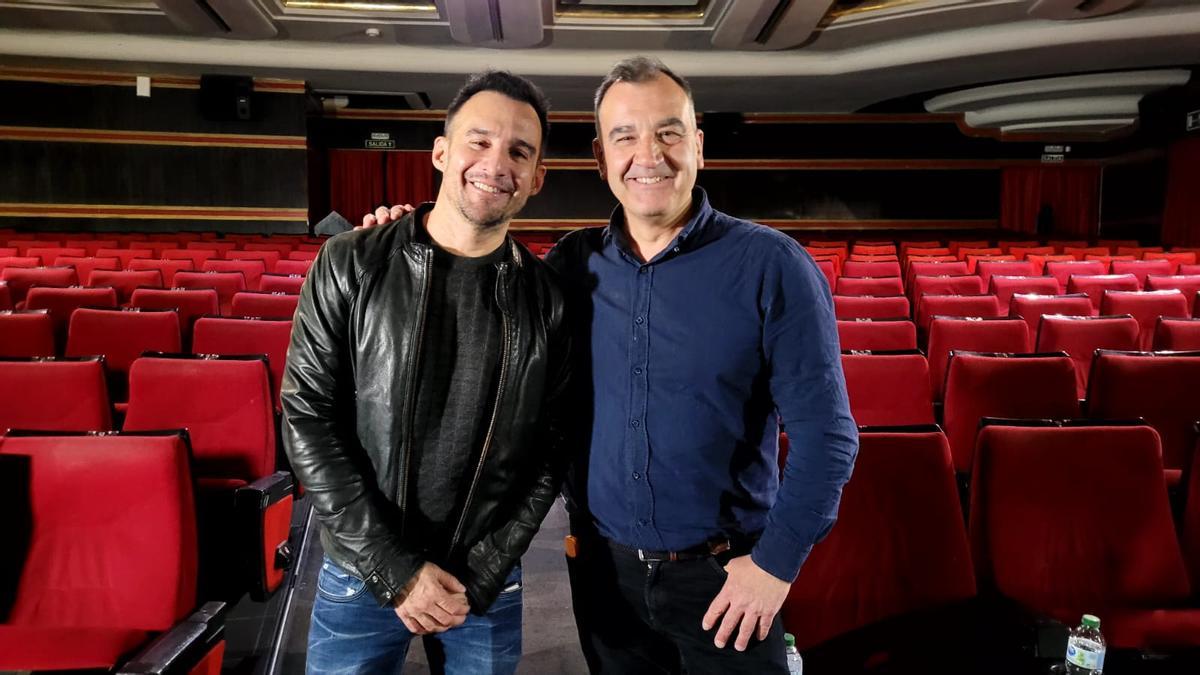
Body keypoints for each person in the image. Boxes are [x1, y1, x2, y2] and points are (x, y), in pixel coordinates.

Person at [366, 56, 858, 674]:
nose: (648, 154)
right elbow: (470, 278)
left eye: (669, 133)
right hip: (602, 573)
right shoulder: (570, 265)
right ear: (601, 158)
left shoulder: (773, 266)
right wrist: (401, 235)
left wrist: (774, 567)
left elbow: (829, 439)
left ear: (698, 146)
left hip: (728, 579)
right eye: (625, 136)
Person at [282, 70, 572, 674]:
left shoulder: (551, 300)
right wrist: (396, 569)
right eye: (479, 140)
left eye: (520, 151)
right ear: (441, 152)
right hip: (361, 565)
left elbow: (551, 452)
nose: (496, 162)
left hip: (481, 581)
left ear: (537, 179)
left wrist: (488, 569)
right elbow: (309, 420)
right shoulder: (349, 263)